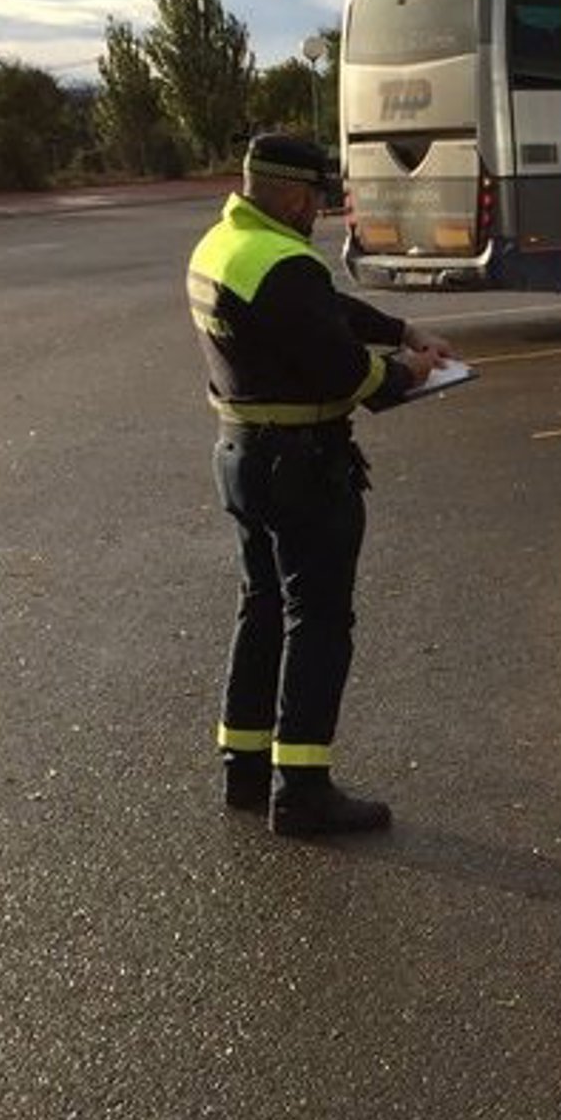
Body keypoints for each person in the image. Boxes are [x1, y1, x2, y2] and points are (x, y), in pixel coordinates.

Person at [186, 132, 454, 838]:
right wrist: (408, 370)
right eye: (316, 198)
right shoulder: (283, 264)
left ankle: (244, 770)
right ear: (296, 196)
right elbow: (350, 372)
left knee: (262, 606)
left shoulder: (225, 245)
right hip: (301, 466)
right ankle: (302, 791)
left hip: (241, 453)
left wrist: (399, 326)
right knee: (320, 620)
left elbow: (322, 309)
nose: (319, 212)